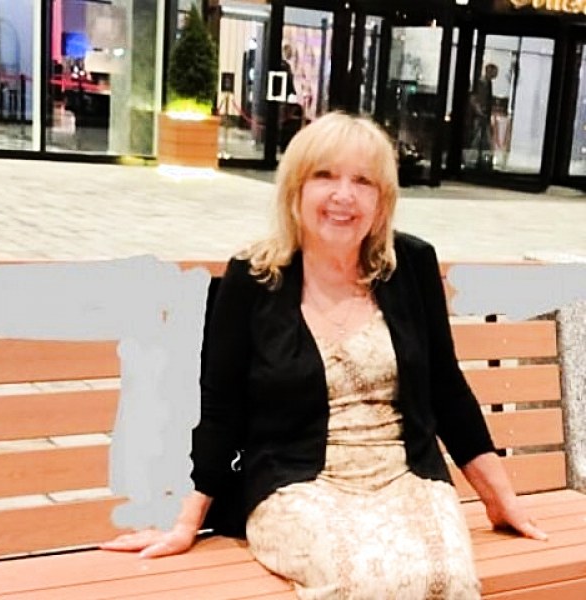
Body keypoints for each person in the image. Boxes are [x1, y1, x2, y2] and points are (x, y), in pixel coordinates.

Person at [102, 111, 547, 598]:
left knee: (445, 576)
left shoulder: (410, 266)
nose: (344, 195)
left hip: (406, 478)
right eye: (325, 176)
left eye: (363, 181)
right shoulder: (253, 279)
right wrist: (185, 524)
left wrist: (501, 500)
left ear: (382, 200)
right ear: (295, 189)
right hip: (296, 486)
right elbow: (221, 411)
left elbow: (447, 390)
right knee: (362, 578)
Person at [468, 63, 499, 169]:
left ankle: (480, 160)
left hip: (484, 114)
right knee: (478, 137)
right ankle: (473, 160)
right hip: (480, 115)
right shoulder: (480, 83)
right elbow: (474, 99)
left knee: (483, 138)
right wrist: (479, 111)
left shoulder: (488, 83)